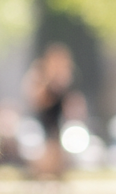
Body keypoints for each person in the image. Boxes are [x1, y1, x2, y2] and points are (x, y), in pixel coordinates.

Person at [22, 44, 80, 179]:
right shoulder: (40, 73)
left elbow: (69, 102)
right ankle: (39, 175)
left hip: (57, 122)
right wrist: (50, 81)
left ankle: (56, 177)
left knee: (57, 152)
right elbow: (38, 99)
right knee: (45, 153)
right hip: (41, 120)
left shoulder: (64, 76)